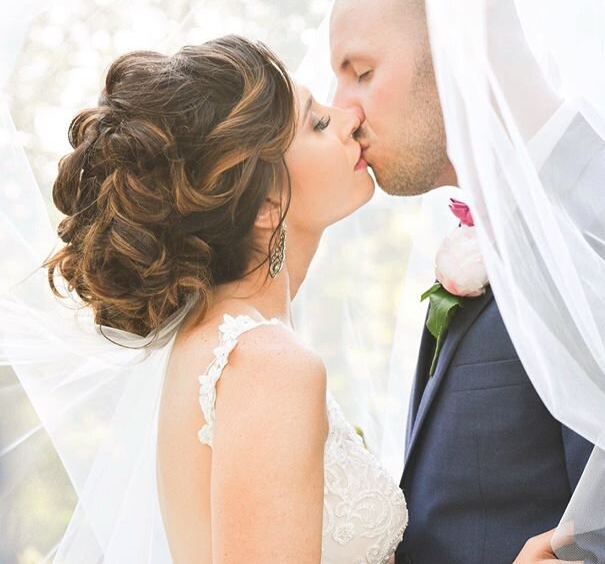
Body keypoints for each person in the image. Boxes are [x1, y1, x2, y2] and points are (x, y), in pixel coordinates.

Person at [44, 34, 407, 562]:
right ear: (265, 206)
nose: (349, 116)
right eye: (318, 123)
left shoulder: (215, 343)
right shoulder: (268, 363)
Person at [330, 0, 593, 564]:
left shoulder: (597, 217)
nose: (344, 110)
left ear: (455, 50)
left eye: (361, 72)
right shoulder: (490, 230)